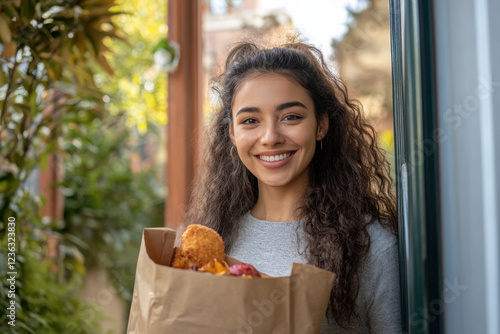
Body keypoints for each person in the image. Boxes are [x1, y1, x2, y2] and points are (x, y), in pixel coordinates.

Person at [184, 41, 401, 333]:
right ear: (232, 133)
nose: (270, 137)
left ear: (321, 125)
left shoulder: (372, 247)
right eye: (250, 120)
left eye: (291, 117)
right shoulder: (215, 240)